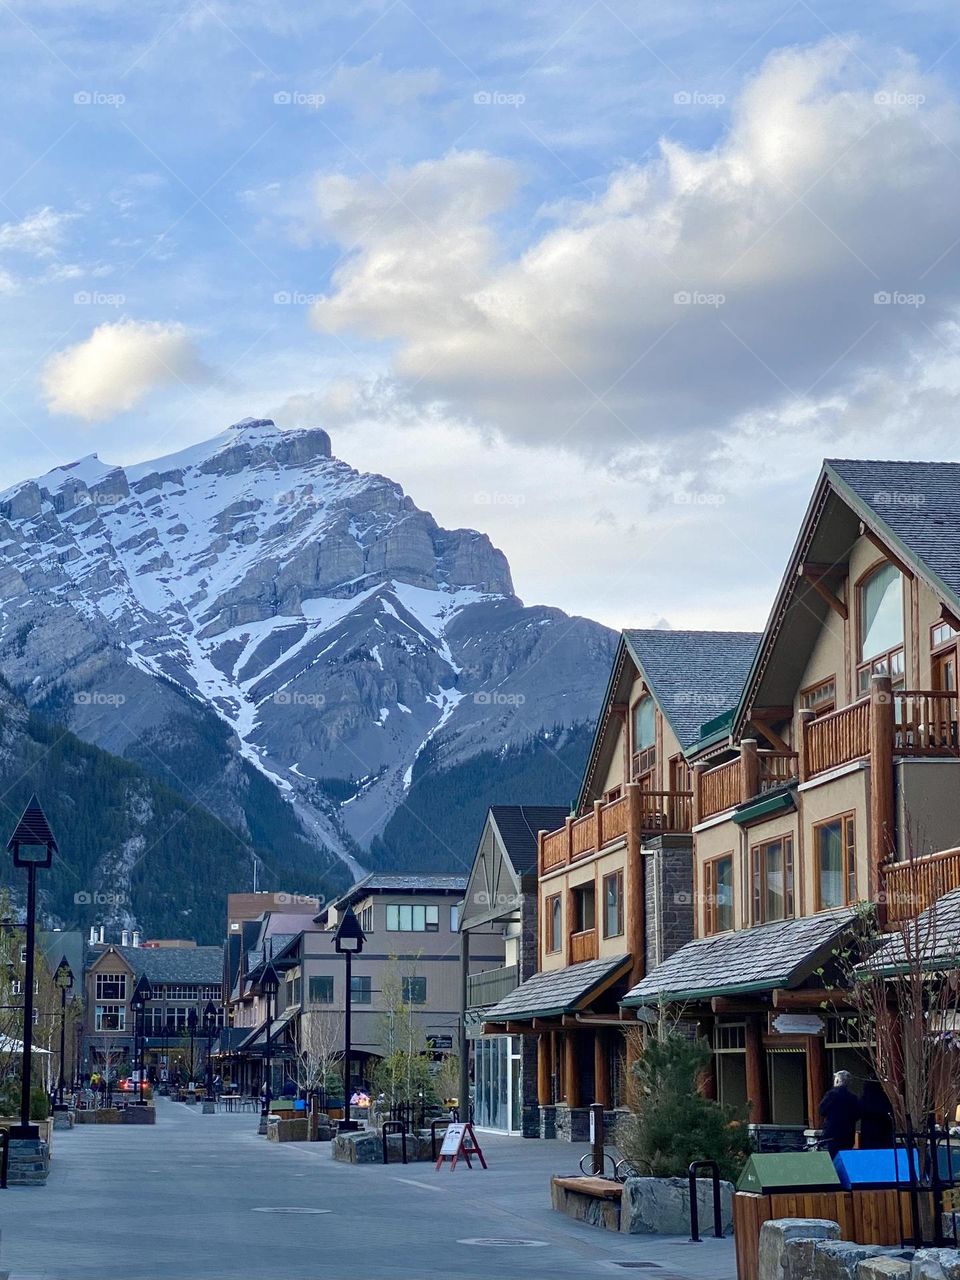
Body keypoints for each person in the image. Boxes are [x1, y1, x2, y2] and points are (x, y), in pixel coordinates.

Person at [819, 1069, 861, 1157]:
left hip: (833, 1134)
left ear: (837, 1080)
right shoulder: (852, 1097)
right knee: (845, 1158)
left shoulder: (831, 1095)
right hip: (848, 1134)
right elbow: (857, 1114)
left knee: (833, 1158)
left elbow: (822, 1110)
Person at [859, 1079, 895, 1149]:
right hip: (883, 1134)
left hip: (868, 1133)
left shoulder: (864, 1099)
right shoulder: (884, 1098)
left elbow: (859, 1112)